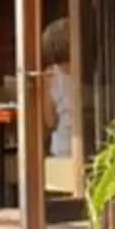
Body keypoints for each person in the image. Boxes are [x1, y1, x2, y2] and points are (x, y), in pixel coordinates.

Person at [41, 17, 74, 160]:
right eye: (59, 62)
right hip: (62, 148)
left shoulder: (91, 72)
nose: (64, 67)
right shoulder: (52, 76)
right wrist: (46, 89)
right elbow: (50, 121)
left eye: (67, 60)